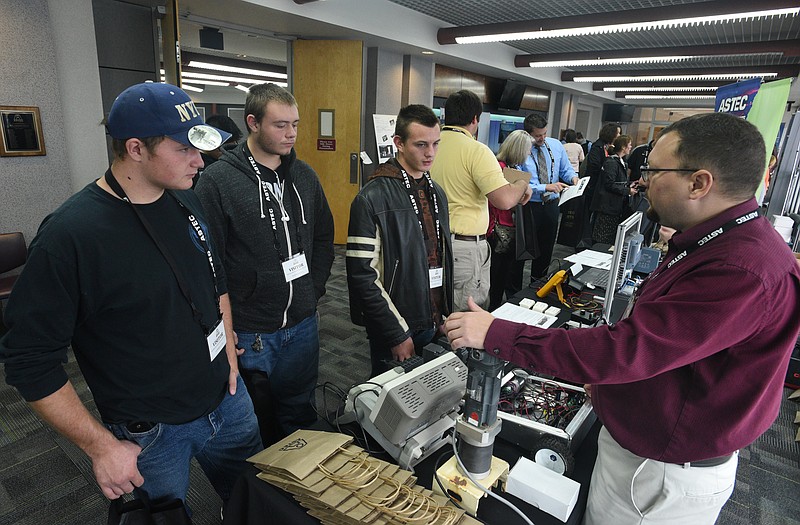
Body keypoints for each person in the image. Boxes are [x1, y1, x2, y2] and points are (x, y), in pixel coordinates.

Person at [443, 112, 800, 525]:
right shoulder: (723, 244)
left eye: (654, 169)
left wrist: (497, 333)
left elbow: (630, 350)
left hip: (658, 474)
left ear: (699, 183)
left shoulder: (739, 269)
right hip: (651, 453)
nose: (644, 180)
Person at [0, 82, 262, 507]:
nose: (200, 160)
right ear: (136, 149)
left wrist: (229, 355)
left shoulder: (186, 200)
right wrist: (101, 447)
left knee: (255, 503)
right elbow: (29, 360)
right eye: (184, 149)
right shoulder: (71, 235)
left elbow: (216, 283)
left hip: (227, 401)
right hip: (152, 432)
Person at [195, 83, 335, 447]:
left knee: (299, 412)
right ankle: (262, 497)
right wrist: (225, 327)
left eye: (295, 124)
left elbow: (323, 238)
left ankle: (299, 485)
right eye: (280, 125)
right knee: (255, 422)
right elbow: (208, 264)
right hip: (252, 330)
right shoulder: (218, 181)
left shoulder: (304, 176)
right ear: (253, 123)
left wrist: (313, 289)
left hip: (303, 323)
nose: (291, 134)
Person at [346, 105, 453, 377]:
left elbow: (440, 256)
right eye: (421, 144)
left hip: (432, 316)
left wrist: (443, 313)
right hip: (397, 323)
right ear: (399, 143)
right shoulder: (371, 197)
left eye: (435, 144)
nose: (430, 153)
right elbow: (362, 275)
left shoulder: (435, 191)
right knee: (388, 405)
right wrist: (396, 332)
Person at [430, 89, 531, 311]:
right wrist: (522, 185)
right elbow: (504, 201)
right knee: (468, 313)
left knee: (436, 304)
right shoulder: (477, 151)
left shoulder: (430, 146)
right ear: (476, 119)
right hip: (463, 248)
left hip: (431, 241)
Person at [521, 114, 579, 282]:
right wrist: (544, 187)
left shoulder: (555, 145)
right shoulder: (521, 149)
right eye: (538, 135)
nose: (542, 138)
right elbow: (517, 182)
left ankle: (538, 284)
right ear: (528, 134)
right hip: (530, 205)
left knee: (546, 250)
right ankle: (515, 293)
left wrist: (573, 178)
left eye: (545, 133)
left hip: (552, 205)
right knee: (524, 251)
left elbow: (566, 169)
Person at [487, 129, 532, 310]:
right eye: (527, 149)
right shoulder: (499, 168)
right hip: (498, 230)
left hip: (508, 228)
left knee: (504, 276)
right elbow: (497, 201)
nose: (529, 153)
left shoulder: (512, 168)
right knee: (496, 279)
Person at [590, 134, 636, 244]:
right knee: (603, 238)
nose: (631, 147)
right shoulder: (611, 162)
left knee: (610, 237)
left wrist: (630, 184)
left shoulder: (622, 162)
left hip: (614, 206)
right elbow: (609, 184)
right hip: (607, 206)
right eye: (629, 145)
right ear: (623, 147)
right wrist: (628, 191)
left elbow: (618, 181)